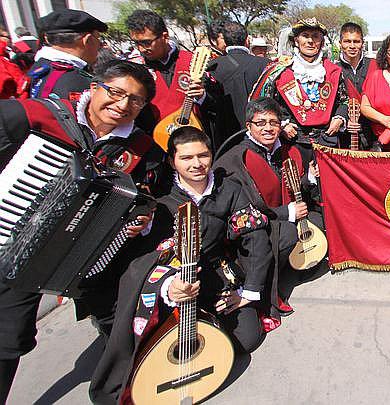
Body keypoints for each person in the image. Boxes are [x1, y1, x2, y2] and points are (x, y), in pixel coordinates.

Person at [0, 60, 165, 403]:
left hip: (87, 255)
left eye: (134, 101)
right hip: (13, 242)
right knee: (8, 337)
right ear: (94, 87)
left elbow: (155, 198)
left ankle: (123, 383)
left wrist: (141, 219)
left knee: (122, 313)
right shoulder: (36, 116)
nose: (122, 105)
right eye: (115, 92)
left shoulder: (141, 149)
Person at [89, 127, 272, 404]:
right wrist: (168, 288)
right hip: (172, 284)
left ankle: (210, 325)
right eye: (186, 158)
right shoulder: (160, 203)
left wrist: (248, 292)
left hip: (216, 277)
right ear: (172, 161)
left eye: (203, 155)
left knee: (249, 338)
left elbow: (256, 238)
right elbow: (144, 260)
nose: (197, 164)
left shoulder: (230, 189)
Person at [215, 97, 323, 312]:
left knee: (321, 221)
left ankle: (292, 268)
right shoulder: (236, 160)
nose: (268, 128)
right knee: (288, 235)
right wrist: (286, 212)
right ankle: (264, 287)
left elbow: (288, 187)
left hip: (284, 215)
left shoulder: (288, 151)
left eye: (273, 122)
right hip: (254, 229)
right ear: (249, 126)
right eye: (261, 123)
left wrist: (308, 178)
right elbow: (242, 213)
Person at [250, 18, 348, 152]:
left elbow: (345, 101)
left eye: (315, 37)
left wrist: (339, 118)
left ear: (322, 42)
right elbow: (262, 104)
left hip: (327, 140)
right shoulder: (279, 71)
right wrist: (281, 124)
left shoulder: (333, 71)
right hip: (292, 141)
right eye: (305, 36)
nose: (310, 41)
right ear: (296, 40)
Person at [125, 9, 216, 142]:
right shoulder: (135, 69)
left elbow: (217, 105)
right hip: (156, 142)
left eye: (146, 42)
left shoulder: (193, 61)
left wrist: (202, 97)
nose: (141, 49)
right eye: (136, 43)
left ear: (164, 37)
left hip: (194, 139)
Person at [206, 19, 268, 138]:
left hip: (227, 138)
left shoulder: (212, 67)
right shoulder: (266, 65)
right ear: (247, 41)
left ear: (225, 41)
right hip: (263, 134)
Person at [26, 9, 107, 100]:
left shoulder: (37, 68)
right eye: (98, 38)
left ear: (47, 39)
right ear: (87, 40)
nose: (100, 45)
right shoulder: (79, 82)